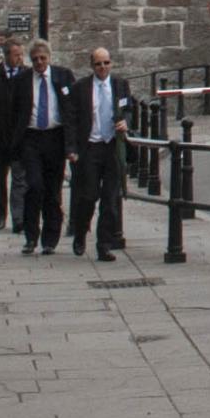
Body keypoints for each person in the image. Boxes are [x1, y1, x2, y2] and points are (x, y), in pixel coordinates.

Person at [65, 46, 137, 260]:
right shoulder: (80, 88)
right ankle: (80, 231)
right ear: (92, 66)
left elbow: (129, 110)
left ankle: (104, 244)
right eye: (98, 64)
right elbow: (71, 121)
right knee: (88, 196)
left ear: (111, 63)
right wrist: (71, 149)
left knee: (110, 199)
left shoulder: (120, 85)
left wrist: (126, 122)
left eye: (106, 63)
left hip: (112, 146)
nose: (103, 67)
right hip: (91, 146)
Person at [14, 39, 74, 255]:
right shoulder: (22, 80)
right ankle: (31, 236)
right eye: (35, 59)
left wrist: (71, 145)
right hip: (31, 138)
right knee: (34, 186)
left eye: (43, 58)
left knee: (52, 191)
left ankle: (50, 238)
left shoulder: (62, 76)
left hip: (55, 138)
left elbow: (71, 108)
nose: (39, 62)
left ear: (49, 58)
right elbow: (15, 111)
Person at [0, 35, 30, 232]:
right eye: (16, 55)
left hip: (19, 135)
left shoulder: (28, 75)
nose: (19, 58)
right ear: (5, 56)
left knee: (20, 179)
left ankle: (18, 218)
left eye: (21, 55)